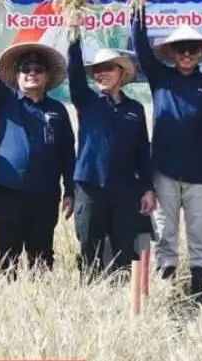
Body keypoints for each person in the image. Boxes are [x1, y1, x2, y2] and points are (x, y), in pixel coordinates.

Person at [131, 3, 202, 304]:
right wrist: (137, 6)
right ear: (172, 53)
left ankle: (198, 299)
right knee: (166, 237)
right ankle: (168, 297)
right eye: (181, 49)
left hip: (201, 176)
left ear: (200, 54)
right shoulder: (159, 77)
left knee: (199, 238)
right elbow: (141, 46)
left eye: (192, 50)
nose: (186, 54)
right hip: (165, 173)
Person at [0, 23, 75, 279]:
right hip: (8, 191)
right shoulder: (5, 100)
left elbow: (67, 153)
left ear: (47, 76)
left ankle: (39, 296)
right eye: (26, 69)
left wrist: (70, 190)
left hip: (46, 194)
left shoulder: (58, 110)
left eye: (38, 69)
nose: (32, 73)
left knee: (42, 255)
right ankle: (4, 298)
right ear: (18, 75)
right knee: (6, 252)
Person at [66, 30, 155, 282]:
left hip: (125, 190)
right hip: (90, 186)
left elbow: (142, 151)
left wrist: (148, 188)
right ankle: (89, 295)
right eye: (97, 70)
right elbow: (74, 72)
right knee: (89, 248)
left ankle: (122, 297)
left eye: (108, 68)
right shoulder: (86, 100)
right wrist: (74, 36)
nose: (101, 74)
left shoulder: (135, 109)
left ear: (121, 73)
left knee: (123, 251)